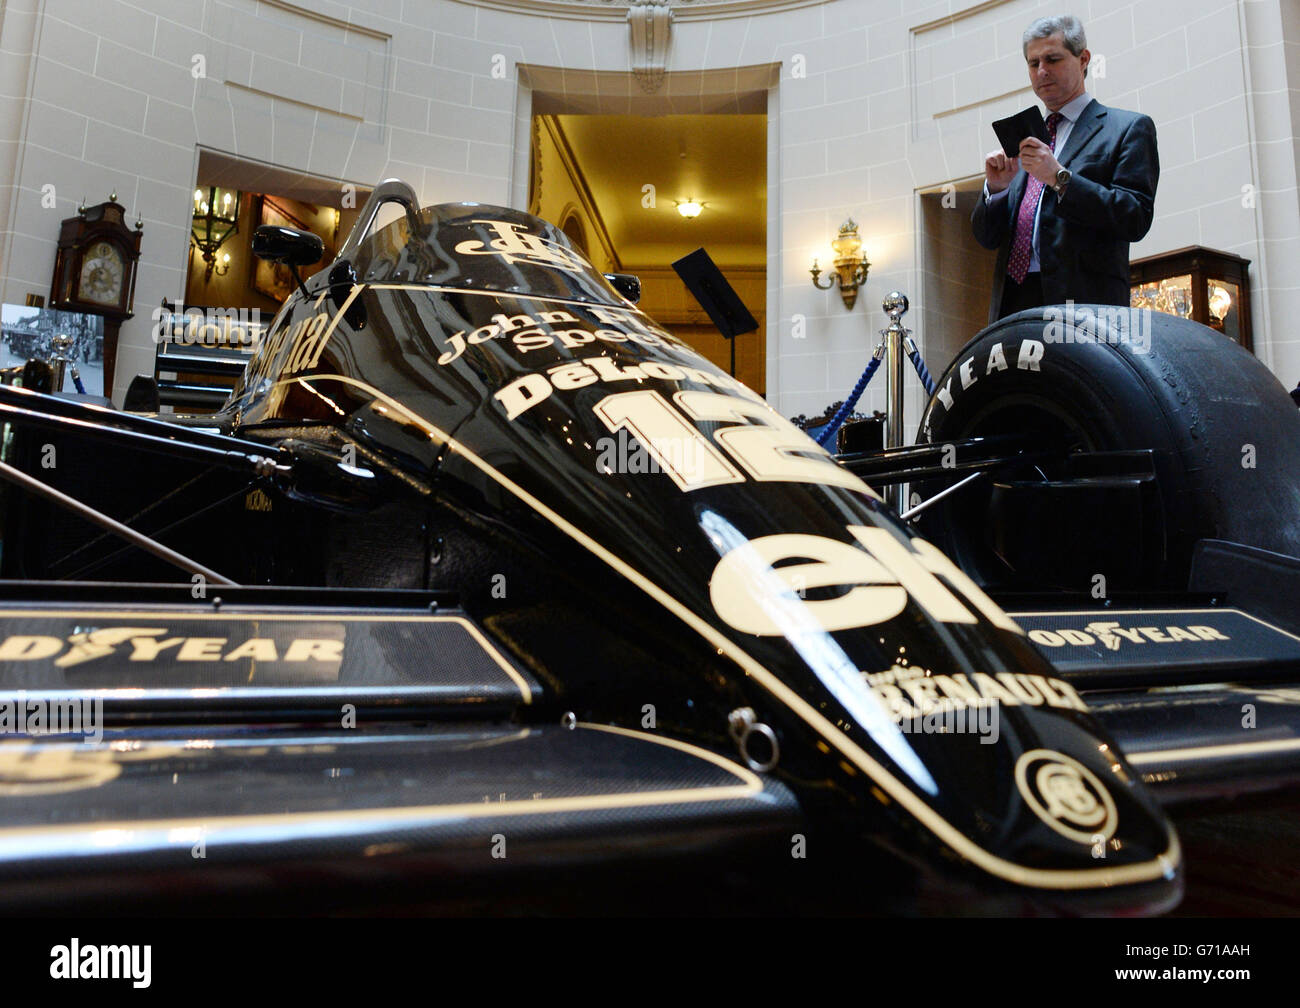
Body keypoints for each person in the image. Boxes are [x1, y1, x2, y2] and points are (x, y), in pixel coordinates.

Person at [971, 14, 1159, 322]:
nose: (1042, 71)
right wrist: (997, 190)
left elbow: (1134, 217)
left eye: (1053, 59)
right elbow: (986, 239)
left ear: (1083, 58)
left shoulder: (1126, 128)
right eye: (1034, 64)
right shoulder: (1026, 137)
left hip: (1085, 307)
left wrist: (1060, 179)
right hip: (1014, 305)